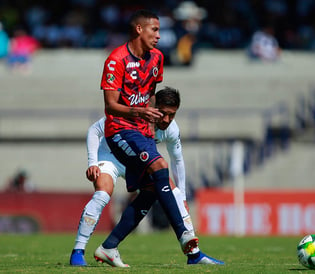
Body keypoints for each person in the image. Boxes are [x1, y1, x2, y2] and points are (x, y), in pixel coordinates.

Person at [84, 9, 218, 267]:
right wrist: (139, 111)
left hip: (141, 131)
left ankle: (109, 247)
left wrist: (149, 116)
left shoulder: (157, 58)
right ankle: (187, 241)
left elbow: (150, 93)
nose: (159, 35)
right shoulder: (116, 60)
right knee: (160, 167)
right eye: (154, 30)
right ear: (138, 30)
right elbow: (110, 106)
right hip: (120, 129)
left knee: (151, 190)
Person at [70, 87, 223, 266]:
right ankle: (78, 252)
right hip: (111, 156)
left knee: (170, 194)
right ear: (153, 106)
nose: (166, 120)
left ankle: (194, 254)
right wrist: (92, 163)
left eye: (172, 115)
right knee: (103, 194)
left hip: (137, 162)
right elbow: (95, 130)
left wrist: (182, 194)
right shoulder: (134, 113)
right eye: (162, 113)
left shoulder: (171, 129)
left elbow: (178, 161)